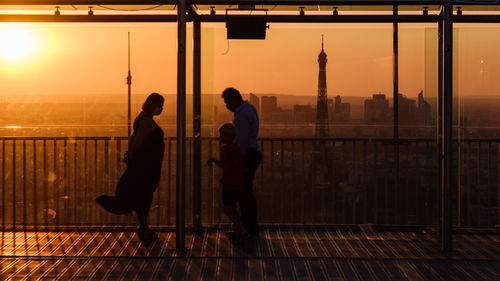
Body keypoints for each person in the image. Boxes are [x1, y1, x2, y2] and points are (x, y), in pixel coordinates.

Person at [96, 93, 165, 240]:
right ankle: (144, 229)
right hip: (146, 166)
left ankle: (144, 228)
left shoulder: (143, 118)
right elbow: (138, 140)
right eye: (160, 105)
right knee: (143, 195)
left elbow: (135, 139)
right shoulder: (146, 121)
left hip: (145, 165)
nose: (161, 109)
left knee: (141, 196)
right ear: (153, 105)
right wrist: (132, 155)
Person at [221, 87, 261, 240]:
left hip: (246, 156)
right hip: (252, 153)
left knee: (244, 194)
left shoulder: (241, 117)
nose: (226, 106)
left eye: (227, 102)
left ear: (233, 100)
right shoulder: (249, 108)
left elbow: (241, 143)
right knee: (246, 193)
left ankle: (247, 230)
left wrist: (234, 162)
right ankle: (247, 229)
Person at [206, 123, 246, 240]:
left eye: (222, 135)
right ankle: (238, 231)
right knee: (233, 207)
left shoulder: (225, 150)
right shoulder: (237, 147)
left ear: (227, 136)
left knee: (228, 208)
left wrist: (214, 161)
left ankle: (240, 229)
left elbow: (225, 166)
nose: (220, 138)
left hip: (229, 183)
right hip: (238, 182)